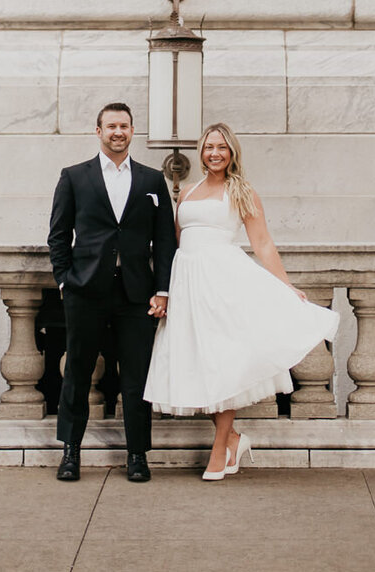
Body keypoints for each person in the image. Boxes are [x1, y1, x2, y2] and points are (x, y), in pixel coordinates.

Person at [144, 122, 340, 480]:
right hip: (188, 284)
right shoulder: (186, 193)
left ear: (232, 152)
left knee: (224, 362)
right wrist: (166, 290)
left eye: (221, 147)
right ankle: (233, 438)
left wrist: (286, 286)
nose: (214, 153)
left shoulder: (242, 191)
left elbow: (262, 242)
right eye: (208, 147)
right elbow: (172, 243)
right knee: (199, 362)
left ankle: (221, 447)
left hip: (224, 283)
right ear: (201, 152)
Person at [48, 101, 177, 483]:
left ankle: (137, 455)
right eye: (110, 126)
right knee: (77, 372)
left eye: (124, 126)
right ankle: (71, 453)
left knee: (136, 377)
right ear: (98, 131)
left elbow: (165, 241)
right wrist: (64, 280)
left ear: (132, 131)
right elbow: (58, 235)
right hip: (85, 291)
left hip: (136, 294)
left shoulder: (152, 181)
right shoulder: (74, 177)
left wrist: (163, 289)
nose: (117, 132)